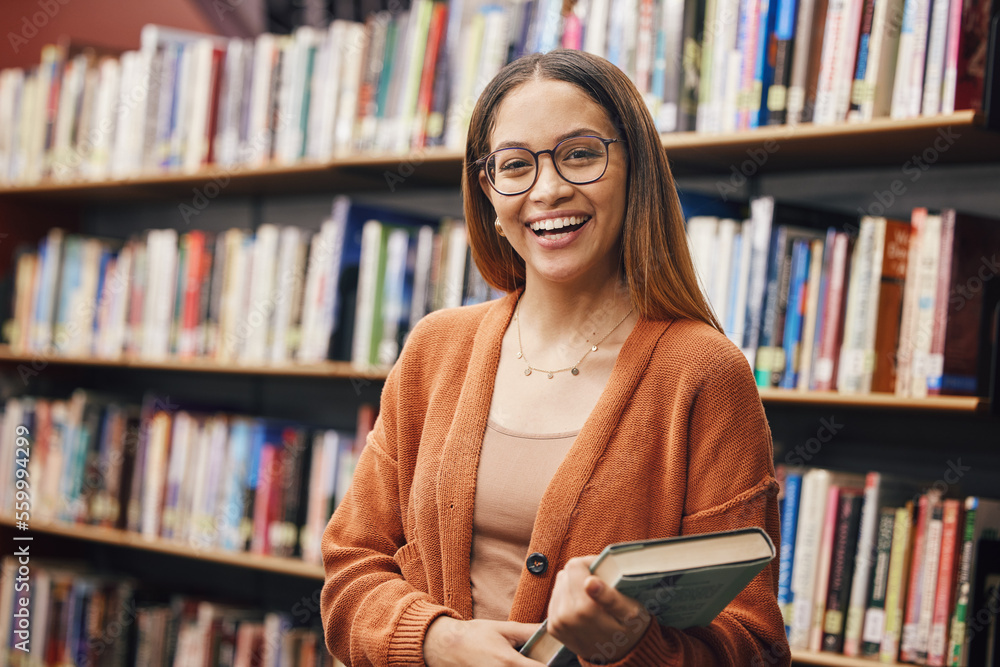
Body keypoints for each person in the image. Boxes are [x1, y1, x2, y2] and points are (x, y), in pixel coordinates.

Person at [320, 49, 789, 666]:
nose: (548, 190)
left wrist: (627, 644)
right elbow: (349, 573)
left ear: (634, 168)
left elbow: (754, 648)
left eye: (580, 154)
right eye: (514, 165)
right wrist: (439, 641)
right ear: (487, 191)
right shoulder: (435, 350)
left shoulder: (703, 373)